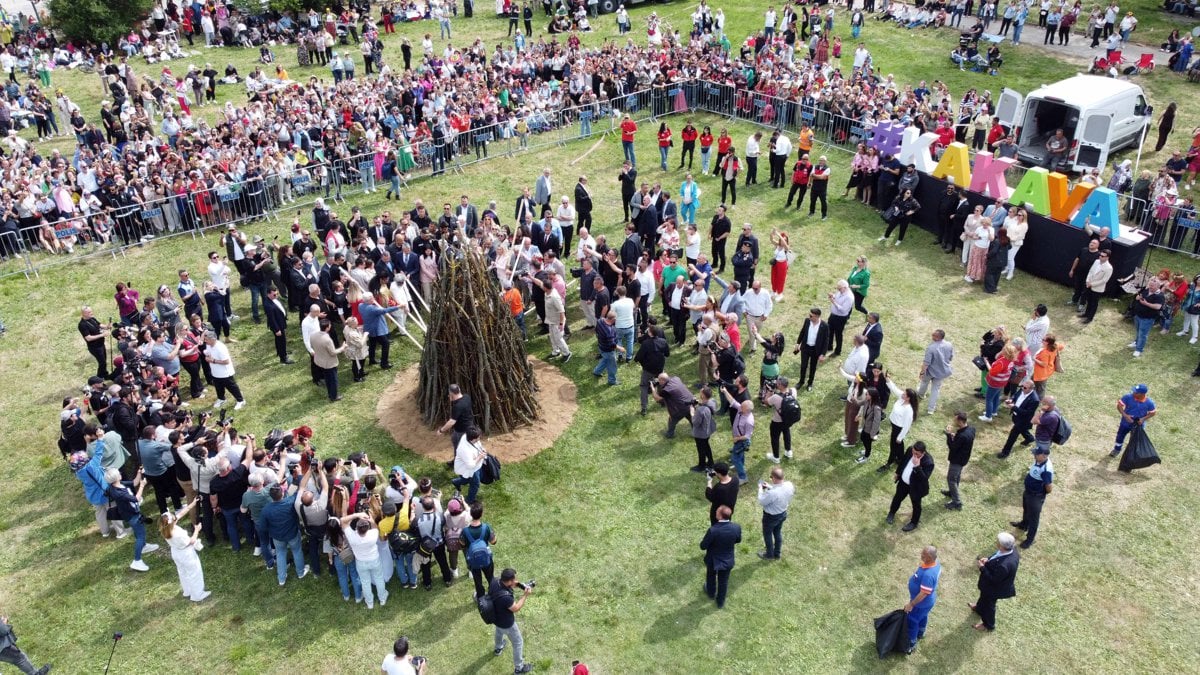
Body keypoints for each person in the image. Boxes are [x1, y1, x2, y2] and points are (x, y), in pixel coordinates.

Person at [106, 467, 161, 571]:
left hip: (131, 513)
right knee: (140, 536)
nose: (120, 473)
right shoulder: (119, 492)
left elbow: (134, 482)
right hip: (132, 516)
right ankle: (137, 561)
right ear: (116, 477)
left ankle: (144, 546)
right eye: (118, 473)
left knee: (139, 532)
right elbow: (136, 499)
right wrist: (142, 486)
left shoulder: (117, 484)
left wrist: (139, 472)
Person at [160, 497, 209, 602]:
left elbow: (181, 513)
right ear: (172, 521)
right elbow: (191, 541)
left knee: (183, 572)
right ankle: (198, 595)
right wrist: (197, 530)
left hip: (176, 552)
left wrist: (193, 503)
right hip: (186, 553)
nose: (175, 517)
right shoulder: (177, 534)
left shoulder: (165, 528)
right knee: (195, 572)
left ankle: (187, 591)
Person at [971, 532, 1020, 631]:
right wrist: (988, 559)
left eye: (998, 542)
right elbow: (997, 555)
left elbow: (994, 579)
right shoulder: (1011, 550)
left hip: (995, 589)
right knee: (983, 596)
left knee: (989, 605)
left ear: (1002, 546)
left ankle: (988, 625)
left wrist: (982, 568)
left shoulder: (1004, 566)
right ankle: (979, 609)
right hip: (989, 587)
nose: (996, 543)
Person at [339, 510, 389, 609]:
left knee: (365, 582)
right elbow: (375, 527)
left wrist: (357, 515)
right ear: (367, 528)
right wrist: (371, 520)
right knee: (379, 579)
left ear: (356, 528)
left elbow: (342, 520)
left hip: (361, 562)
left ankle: (369, 603)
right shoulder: (373, 534)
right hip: (374, 560)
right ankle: (382, 598)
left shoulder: (352, 536)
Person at [489, 568, 535, 674]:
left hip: (496, 617)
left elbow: (507, 586)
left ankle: (498, 648)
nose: (516, 580)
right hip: (507, 624)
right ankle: (519, 668)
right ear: (509, 581)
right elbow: (516, 608)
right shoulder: (506, 598)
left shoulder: (495, 581)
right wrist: (525, 595)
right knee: (518, 642)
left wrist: (519, 585)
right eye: (514, 579)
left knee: (499, 632)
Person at [700, 504, 742, 609]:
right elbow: (738, 540)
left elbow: (703, 546)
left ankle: (710, 592)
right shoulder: (736, 527)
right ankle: (720, 602)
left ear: (720, 516)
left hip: (713, 559)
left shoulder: (713, 530)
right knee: (723, 581)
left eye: (717, 512)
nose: (715, 513)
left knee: (711, 576)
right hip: (728, 559)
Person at [1010, 447, 1053, 549]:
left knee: (1034, 519)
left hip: (1036, 496)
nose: (1034, 455)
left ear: (1044, 456)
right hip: (1029, 492)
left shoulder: (1046, 470)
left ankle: (1030, 539)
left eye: (1036, 454)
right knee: (1026, 509)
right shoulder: (1039, 460)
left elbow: (1049, 488)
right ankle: (1024, 524)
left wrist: (1040, 493)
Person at [902, 545, 942, 654]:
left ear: (929, 557)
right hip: (928, 603)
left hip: (921, 604)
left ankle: (911, 644)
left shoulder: (928, 575)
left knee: (912, 621)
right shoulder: (936, 563)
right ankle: (921, 632)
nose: (921, 556)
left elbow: (923, 593)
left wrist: (911, 604)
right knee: (923, 616)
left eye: (923, 555)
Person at [886, 441, 934, 532]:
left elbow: (924, 479)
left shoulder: (929, 462)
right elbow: (903, 461)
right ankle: (892, 513)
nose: (914, 454)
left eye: (917, 454)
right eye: (913, 452)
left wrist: (917, 466)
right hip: (903, 483)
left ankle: (914, 523)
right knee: (897, 498)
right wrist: (898, 472)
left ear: (923, 453)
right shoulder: (910, 450)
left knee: (916, 505)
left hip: (916, 487)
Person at [460, 502, 497, 599]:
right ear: (481, 514)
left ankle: (480, 596)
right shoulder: (486, 527)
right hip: (486, 558)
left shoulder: (465, 531)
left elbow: (462, 544)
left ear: (471, 514)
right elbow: (493, 541)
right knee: (490, 578)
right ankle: (493, 593)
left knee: (477, 581)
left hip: (473, 560)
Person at [756, 466, 795, 560]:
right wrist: (769, 486)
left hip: (771, 517)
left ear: (774, 478)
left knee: (768, 534)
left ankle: (769, 555)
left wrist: (760, 489)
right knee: (777, 532)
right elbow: (780, 490)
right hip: (783, 513)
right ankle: (777, 553)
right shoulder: (789, 485)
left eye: (771, 477)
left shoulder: (772, 493)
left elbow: (762, 501)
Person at [997, 379, 1040, 459]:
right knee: (1023, 430)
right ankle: (1030, 438)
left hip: (1023, 420)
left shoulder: (1034, 400)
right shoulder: (1022, 389)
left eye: (1025, 388)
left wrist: (1014, 407)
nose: (1022, 388)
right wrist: (1011, 400)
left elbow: (1027, 413)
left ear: (1031, 389)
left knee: (1012, 436)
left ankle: (1005, 452)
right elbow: (1015, 395)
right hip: (1016, 416)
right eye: (1022, 386)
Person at [202, 330, 245, 410]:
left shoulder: (220, 347)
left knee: (232, 387)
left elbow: (226, 361)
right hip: (215, 372)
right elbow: (208, 352)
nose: (205, 341)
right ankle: (221, 399)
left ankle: (240, 400)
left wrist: (213, 361)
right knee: (218, 387)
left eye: (206, 339)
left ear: (213, 339)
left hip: (225, 373)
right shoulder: (209, 345)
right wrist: (206, 355)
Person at [1111, 384, 1157, 457]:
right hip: (1125, 423)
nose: (1133, 393)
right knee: (1120, 436)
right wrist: (1125, 415)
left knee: (1135, 441)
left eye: (1136, 392)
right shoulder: (1128, 397)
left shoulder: (1149, 403)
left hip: (1138, 425)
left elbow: (1153, 412)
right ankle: (1117, 449)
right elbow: (1119, 406)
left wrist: (1143, 419)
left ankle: (1130, 454)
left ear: (1142, 394)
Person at [942, 412, 976, 510]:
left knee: (951, 479)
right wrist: (955, 436)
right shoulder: (971, 429)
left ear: (960, 421)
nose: (954, 421)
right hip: (964, 458)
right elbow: (962, 441)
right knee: (956, 477)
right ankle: (952, 492)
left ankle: (957, 502)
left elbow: (952, 447)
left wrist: (948, 435)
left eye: (955, 420)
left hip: (957, 460)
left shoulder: (962, 436)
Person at [792, 308, 830, 391]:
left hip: (815, 350)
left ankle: (810, 383)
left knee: (813, 367)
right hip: (805, 348)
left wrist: (822, 354)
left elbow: (826, 341)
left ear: (817, 316)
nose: (809, 317)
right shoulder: (807, 321)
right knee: (803, 366)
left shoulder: (824, 326)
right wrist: (798, 343)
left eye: (811, 316)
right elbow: (802, 332)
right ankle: (801, 382)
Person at [917, 330, 954, 414]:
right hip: (942, 372)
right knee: (935, 390)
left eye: (933, 335)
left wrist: (922, 372)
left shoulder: (931, 348)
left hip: (930, 371)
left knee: (924, 382)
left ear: (937, 337)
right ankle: (931, 409)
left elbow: (926, 363)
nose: (932, 337)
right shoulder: (949, 345)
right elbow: (951, 357)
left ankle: (921, 394)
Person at [438, 384, 475, 465]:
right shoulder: (466, 397)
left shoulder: (457, 406)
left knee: (460, 448)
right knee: (454, 440)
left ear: (451, 394)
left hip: (462, 431)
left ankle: (461, 463)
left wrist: (441, 430)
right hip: (468, 426)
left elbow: (451, 422)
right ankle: (456, 460)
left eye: (449, 394)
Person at [651, 371, 694, 439]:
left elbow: (657, 398)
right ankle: (697, 432)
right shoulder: (676, 378)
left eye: (659, 380)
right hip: (691, 402)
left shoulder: (666, 390)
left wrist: (653, 388)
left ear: (662, 381)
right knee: (691, 418)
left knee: (672, 419)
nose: (658, 382)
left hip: (681, 408)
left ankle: (669, 434)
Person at [1129, 279, 1165, 357]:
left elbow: (1158, 307)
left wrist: (1146, 303)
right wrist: (1138, 298)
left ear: (1158, 286)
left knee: (1143, 334)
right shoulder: (1145, 290)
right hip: (1138, 315)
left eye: (1152, 286)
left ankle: (1139, 349)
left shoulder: (1160, 296)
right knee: (1138, 331)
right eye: (1150, 285)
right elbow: (1138, 298)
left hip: (1147, 318)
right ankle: (1136, 342)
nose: (1150, 287)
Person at [451, 427, 487, 505]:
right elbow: (470, 465)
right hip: (469, 468)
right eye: (478, 438)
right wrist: (479, 457)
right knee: (475, 484)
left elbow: (478, 444)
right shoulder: (464, 449)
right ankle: (469, 500)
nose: (479, 439)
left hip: (474, 467)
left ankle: (456, 482)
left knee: (467, 479)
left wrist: (482, 449)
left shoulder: (468, 436)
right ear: (472, 439)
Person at [689, 387, 718, 473]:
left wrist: (692, 412)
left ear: (703, 395)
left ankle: (701, 465)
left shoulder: (700, 410)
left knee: (701, 449)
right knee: (706, 446)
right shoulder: (712, 402)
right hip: (708, 430)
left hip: (700, 434)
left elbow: (695, 423)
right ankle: (710, 462)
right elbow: (706, 405)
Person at [1079, 250, 1113, 324]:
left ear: (1107, 258)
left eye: (1103, 256)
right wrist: (1088, 280)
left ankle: (1090, 318)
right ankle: (1086, 314)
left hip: (1097, 288)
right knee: (1089, 300)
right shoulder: (1096, 261)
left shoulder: (1109, 268)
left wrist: (1092, 284)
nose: (1100, 257)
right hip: (1089, 284)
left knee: (1094, 303)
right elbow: (1091, 271)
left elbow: (1104, 280)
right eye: (1100, 255)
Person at [727, 398, 755, 484]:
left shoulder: (749, 421)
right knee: (740, 455)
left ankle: (743, 477)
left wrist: (737, 438)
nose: (740, 407)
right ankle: (740, 466)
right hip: (738, 440)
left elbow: (747, 436)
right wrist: (725, 391)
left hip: (742, 441)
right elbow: (733, 402)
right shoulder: (742, 409)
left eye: (742, 407)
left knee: (735, 458)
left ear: (746, 410)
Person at [78, 306, 110, 378]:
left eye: (91, 311)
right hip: (95, 347)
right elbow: (88, 338)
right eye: (89, 312)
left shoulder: (92, 319)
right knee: (102, 362)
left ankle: (105, 374)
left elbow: (99, 325)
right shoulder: (82, 325)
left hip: (101, 344)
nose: (91, 313)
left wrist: (107, 326)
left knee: (104, 361)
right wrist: (102, 335)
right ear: (84, 314)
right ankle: (99, 377)